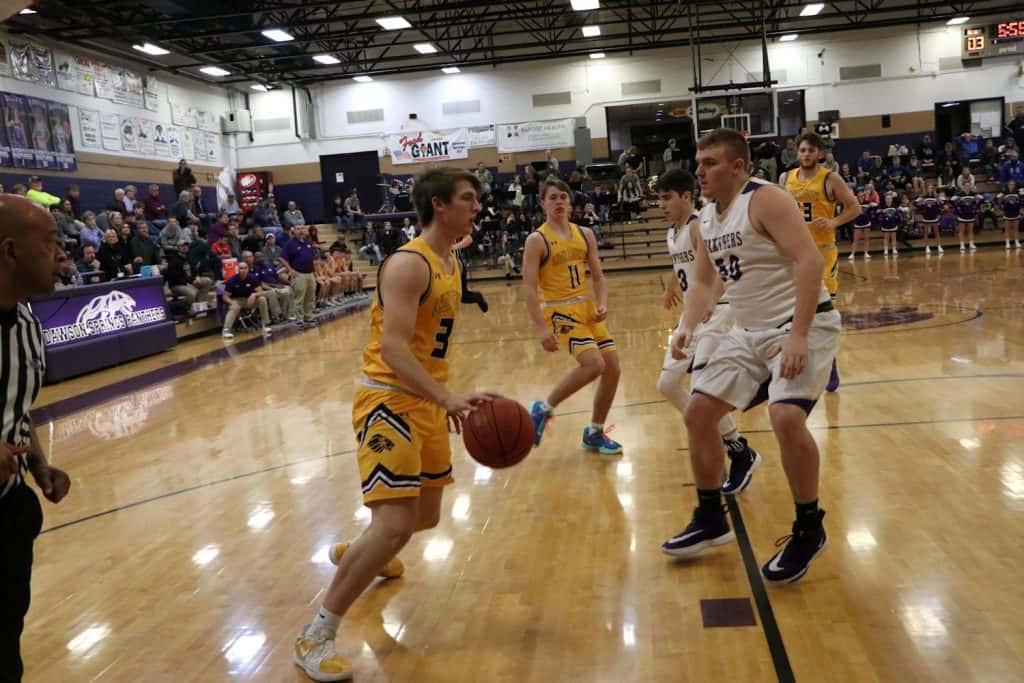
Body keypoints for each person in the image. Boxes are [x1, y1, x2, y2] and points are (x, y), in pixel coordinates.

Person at [292, 168, 495, 682]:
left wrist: (442, 398)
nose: (476, 206)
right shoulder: (409, 264)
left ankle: (364, 552)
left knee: (424, 517)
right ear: (438, 205)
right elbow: (393, 349)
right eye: (467, 198)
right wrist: (445, 396)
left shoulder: (449, 257)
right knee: (396, 524)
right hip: (388, 401)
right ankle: (315, 634)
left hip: (426, 402)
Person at [661, 129, 839, 584]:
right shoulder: (707, 217)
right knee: (698, 412)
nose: (700, 171)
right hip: (747, 330)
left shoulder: (765, 199)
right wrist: (686, 328)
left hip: (800, 323)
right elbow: (704, 282)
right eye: (698, 163)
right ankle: (710, 518)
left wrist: (798, 336)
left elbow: (810, 261)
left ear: (737, 167)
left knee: (785, 417)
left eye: (710, 163)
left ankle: (809, 528)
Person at [0, 195, 72, 682]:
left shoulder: (27, 325)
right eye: (49, 243)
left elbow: (15, 409)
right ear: (10, 251)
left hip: (7, 512)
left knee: (6, 646)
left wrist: (38, 464)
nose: (60, 254)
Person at [654, 169, 761, 493]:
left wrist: (712, 300)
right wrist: (672, 287)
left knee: (703, 389)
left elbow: (719, 267)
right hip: (692, 316)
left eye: (667, 198)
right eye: (659, 199)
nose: (662, 204)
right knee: (667, 384)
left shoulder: (700, 225)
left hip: (718, 313)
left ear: (687, 196)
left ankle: (735, 451)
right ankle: (736, 445)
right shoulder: (673, 232)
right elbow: (683, 266)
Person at [522, 178, 623, 455]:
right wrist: (541, 329)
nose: (559, 202)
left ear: (570, 202)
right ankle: (543, 408)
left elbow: (598, 277)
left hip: (586, 308)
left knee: (612, 369)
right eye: (553, 197)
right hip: (559, 311)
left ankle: (594, 433)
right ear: (542, 203)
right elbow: (528, 288)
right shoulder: (537, 240)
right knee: (594, 364)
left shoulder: (585, 234)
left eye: (563, 197)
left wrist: (602, 304)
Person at [781, 132, 860, 392]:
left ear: (820, 154)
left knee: (822, 312)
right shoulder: (785, 178)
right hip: (794, 253)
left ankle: (830, 363)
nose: (805, 154)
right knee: (791, 311)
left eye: (810, 150)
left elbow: (854, 207)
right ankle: (792, 361)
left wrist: (834, 221)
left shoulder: (830, 178)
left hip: (823, 253)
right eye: (802, 150)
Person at [279, 224, 318, 326]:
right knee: (299, 297)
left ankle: (308, 316)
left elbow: (311, 258)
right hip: (299, 274)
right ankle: (299, 318)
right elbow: (281, 258)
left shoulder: (308, 242)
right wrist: (290, 269)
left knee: (310, 297)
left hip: (310, 273)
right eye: (298, 229)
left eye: (302, 228)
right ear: (294, 231)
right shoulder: (290, 243)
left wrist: (315, 272)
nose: (301, 231)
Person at [221, 260, 271, 339]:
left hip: (250, 300)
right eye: (241, 268)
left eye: (245, 268)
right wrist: (232, 302)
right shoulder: (232, 280)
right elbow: (225, 297)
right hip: (237, 300)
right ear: (238, 269)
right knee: (234, 307)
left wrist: (254, 295)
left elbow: (261, 292)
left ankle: (265, 324)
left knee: (262, 299)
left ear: (248, 269)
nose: (243, 270)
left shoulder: (252, 278)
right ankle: (226, 330)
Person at [915, 185, 944, 256]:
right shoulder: (923, 197)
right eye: (928, 188)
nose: (930, 189)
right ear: (926, 189)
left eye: (931, 188)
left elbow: (942, 204)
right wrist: (921, 205)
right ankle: (927, 247)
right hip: (926, 217)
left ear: (933, 189)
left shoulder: (936, 197)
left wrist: (939, 206)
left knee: (936, 232)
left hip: (934, 217)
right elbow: (915, 203)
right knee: (926, 233)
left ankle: (939, 246)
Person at [998, 181, 1022, 250]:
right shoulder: (1004, 193)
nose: (1011, 185)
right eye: (1010, 184)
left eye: (1013, 184)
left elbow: (1021, 201)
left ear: (1015, 185)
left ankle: (1017, 242)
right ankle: (1007, 242)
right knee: (1007, 229)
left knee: (1016, 229)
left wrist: (1019, 208)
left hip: (1015, 212)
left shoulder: (1018, 193)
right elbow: (997, 200)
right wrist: (1001, 207)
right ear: (1007, 185)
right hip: (1007, 213)